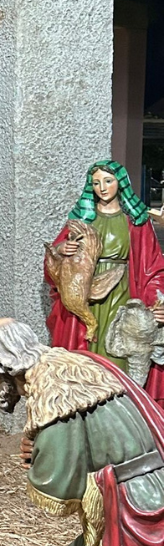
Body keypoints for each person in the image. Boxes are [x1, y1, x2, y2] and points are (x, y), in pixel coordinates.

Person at [0, 318, 164, 546]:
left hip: (135, 505)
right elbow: (95, 440)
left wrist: (36, 459)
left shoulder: (54, 393)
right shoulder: (73, 362)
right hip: (153, 484)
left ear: (0, 364)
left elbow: (58, 485)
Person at [46, 160, 164, 388]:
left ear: (120, 183)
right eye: (96, 183)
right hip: (86, 292)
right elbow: (54, 258)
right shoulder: (83, 220)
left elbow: (152, 267)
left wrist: (157, 301)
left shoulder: (136, 222)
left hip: (122, 293)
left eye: (108, 181)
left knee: (120, 351)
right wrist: (62, 250)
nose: (102, 187)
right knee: (85, 353)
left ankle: (119, 403)